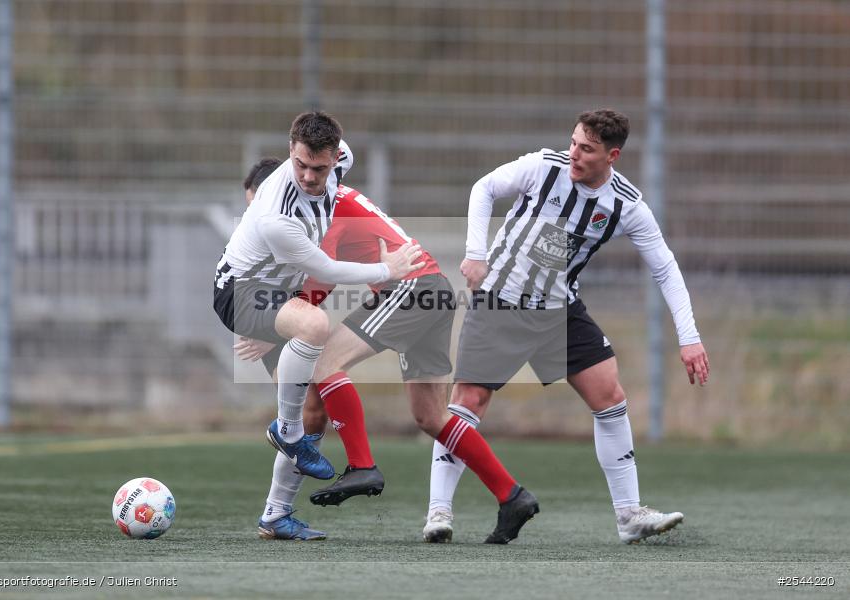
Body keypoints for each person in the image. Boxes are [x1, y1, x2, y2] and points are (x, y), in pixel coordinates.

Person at [428, 108, 710, 544]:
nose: (574, 154)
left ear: (612, 155)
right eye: (574, 142)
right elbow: (483, 188)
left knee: (609, 394)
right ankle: (439, 513)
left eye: (587, 149)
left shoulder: (626, 205)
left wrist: (689, 337)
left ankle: (629, 516)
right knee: (469, 400)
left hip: (558, 310)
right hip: (501, 300)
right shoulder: (543, 167)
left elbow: (666, 268)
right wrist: (476, 252)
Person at [238, 180, 539, 544]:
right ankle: (512, 495)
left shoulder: (324, 206)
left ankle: (362, 466)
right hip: (433, 290)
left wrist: (273, 321)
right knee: (431, 416)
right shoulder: (326, 197)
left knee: (323, 363)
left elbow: (322, 279)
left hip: (410, 290)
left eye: (261, 205)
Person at [213, 112, 425, 525]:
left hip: (280, 296)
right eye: (301, 165)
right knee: (314, 327)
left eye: (320, 167)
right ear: (290, 151)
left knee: (315, 408)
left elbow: (346, 153)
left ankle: (276, 514)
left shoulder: (338, 159)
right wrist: (388, 270)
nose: (309, 177)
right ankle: (285, 431)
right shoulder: (277, 215)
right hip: (240, 293)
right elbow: (327, 269)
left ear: (334, 159)